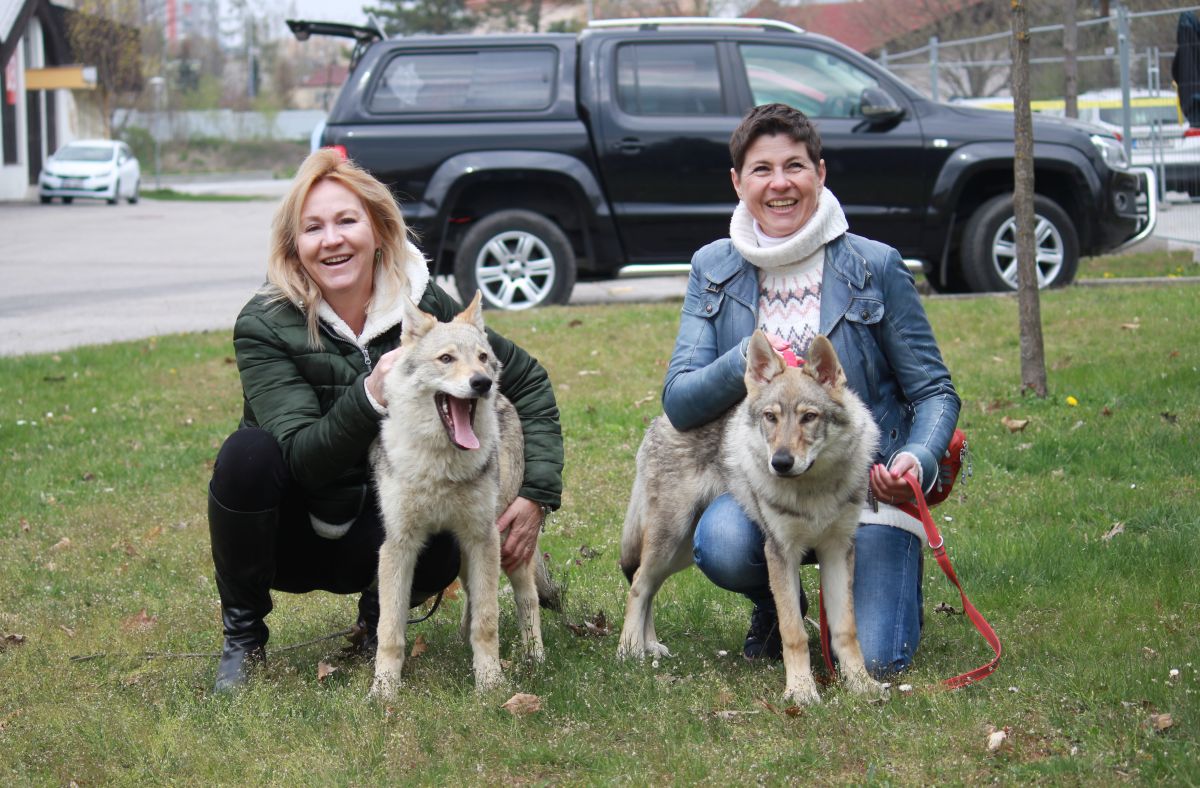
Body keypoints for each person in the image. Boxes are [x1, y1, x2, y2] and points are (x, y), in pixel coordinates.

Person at [206, 148, 563, 692]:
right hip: (293, 534)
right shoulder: (264, 323)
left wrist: (534, 495)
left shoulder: (424, 306)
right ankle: (244, 638)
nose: (332, 239)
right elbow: (303, 456)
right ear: (294, 246)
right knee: (245, 454)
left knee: (454, 492)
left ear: (377, 230)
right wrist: (371, 394)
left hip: (386, 525)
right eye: (313, 228)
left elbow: (528, 382)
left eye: (347, 221)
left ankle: (381, 623)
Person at [664, 103, 960, 677]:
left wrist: (916, 459)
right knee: (721, 540)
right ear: (737, 182)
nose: (779, 184)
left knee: (879, 658)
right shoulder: (713, 267)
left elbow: (936, 391)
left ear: (820, 174)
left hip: (867, 489)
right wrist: (750, 364)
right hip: (770, 486)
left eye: (794, 166)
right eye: (761, 169)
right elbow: (679, 402)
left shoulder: (876, 265)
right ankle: (779, 607)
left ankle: (891, 564)